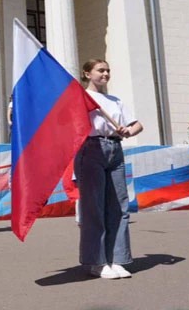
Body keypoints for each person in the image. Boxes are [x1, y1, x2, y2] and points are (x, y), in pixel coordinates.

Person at [76, 59, 143, 280]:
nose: (105, 74)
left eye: (108, 70)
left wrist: (128, 131)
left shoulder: (115, 100)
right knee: (94, 208)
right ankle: (97, 261)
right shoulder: (81, 98)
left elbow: (137, 124)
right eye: (100, 70)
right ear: (87, 74)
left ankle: (118, 258)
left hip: (115, 148)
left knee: (119, 206)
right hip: (91, 148)